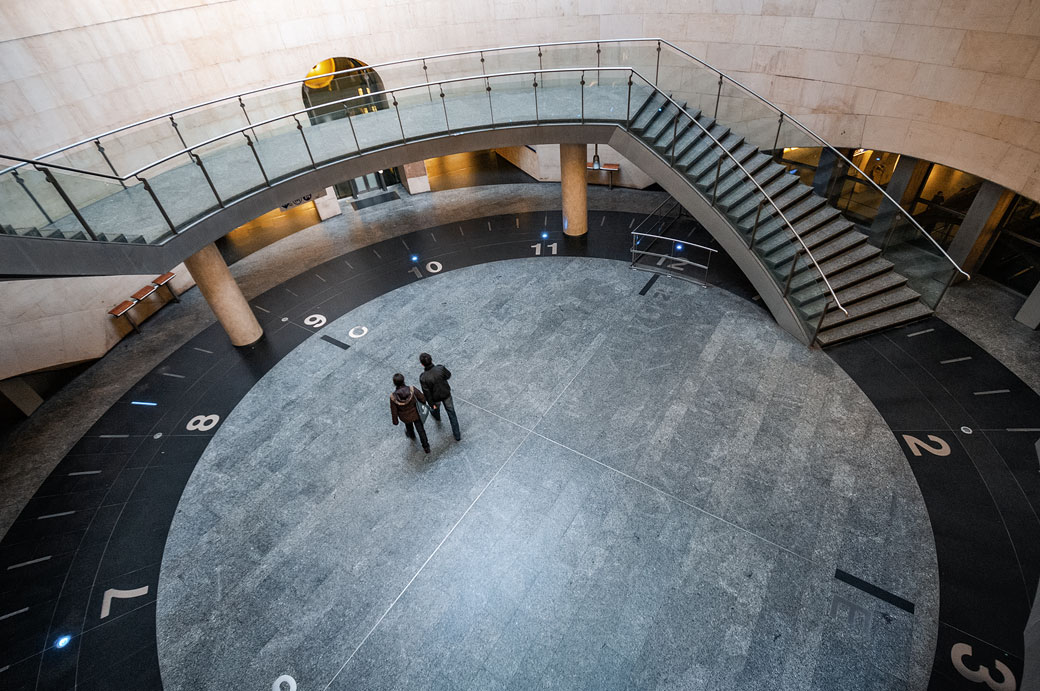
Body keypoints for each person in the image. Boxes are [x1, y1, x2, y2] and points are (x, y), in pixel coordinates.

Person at [418, 352, 461, 441]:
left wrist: (431, 403)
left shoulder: (423, 377)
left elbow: (427, 393)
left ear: (422, 364)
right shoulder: (440, 368)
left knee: (435, 407)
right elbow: (448, 375)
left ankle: (436, 415)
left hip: (435, 397)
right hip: (446, 394)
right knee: (452, 413)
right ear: (431, 359)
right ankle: (457, 435)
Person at [389, 373, 429, 453]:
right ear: (404, 380)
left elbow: (394, 410)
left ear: (394, 383)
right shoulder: (412, 389)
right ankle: (426, 447)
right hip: (416, 414)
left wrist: (395, 421)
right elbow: (422, 398)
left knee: (408, 425)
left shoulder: (393, 397)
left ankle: (412, 435)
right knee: (421, 430)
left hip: (405, 417)